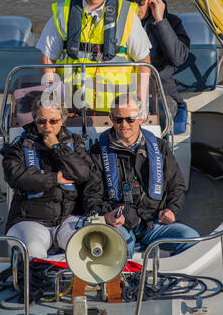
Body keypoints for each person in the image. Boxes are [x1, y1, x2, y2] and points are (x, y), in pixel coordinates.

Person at [83, 94, 199, 258]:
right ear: (111, 118)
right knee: (120, 249)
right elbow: (91, 197)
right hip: (119, 226)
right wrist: (107, 216)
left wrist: (172, 210)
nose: (124, 125)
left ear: (141, 118)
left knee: (191, 239)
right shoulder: (97, 152)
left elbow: (177, 186)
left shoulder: (160, 147)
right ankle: (127, 283)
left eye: (130, 119)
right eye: (118, 119)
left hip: (154, 223)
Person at [36, 0, 152, 113]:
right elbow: (47, 59)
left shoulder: (127, 14)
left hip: (119, 114)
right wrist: (55, 104)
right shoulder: (62, 12)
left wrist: (140, 105)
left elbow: (143, 62)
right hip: (72, 109)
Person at [3, 95, 93, 259]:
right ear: (35, 121)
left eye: (53, 121)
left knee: (82, 249)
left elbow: (83, 173)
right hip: (29, 220)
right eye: (41, 121)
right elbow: (14, 176)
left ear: (62, 121)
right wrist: (54, 179)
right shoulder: (19, 145)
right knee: (34, 250)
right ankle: (36, 282)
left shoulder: (75, 142)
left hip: (68, 219)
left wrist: (57, 148)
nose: (47, 127)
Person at [120, 0, 190, 118]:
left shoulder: (171, 22)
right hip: (124, 94)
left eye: (140, 2)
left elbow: (178, 58)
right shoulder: (113, 24)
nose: (136, 8)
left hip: (161, 94)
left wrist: (160, 21)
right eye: (129, 3)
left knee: (160, 112)